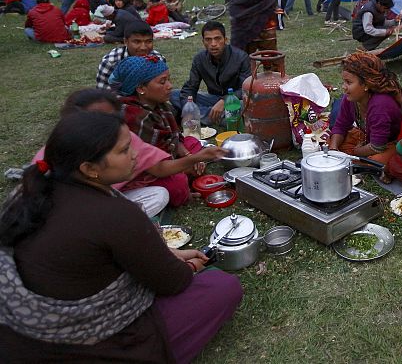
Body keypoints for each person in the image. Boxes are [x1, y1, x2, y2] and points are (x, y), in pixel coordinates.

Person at [0, 111, 242, 361]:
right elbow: (173, 282)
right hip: (85, 343)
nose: (135, 154)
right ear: (90, 168)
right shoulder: (116, 214)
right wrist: (190, 265)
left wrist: (167, 253)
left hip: (18, 333)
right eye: (124, 150)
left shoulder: (28, 192)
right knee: (222, 287)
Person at [33, 88, 226, 212]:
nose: (133, 154)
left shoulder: (122, 136)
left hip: (107, 198)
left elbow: (157, 168)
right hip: (82, 211)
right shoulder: (62, 156)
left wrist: (195, 157)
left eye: (113, 118)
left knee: (161, 193)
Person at [111, 55, 205, 171]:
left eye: (169, 80)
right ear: (141, 89)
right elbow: (153, 164)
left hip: (167, 154)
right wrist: (188, 164)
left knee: (192, 142)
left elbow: (174, 138)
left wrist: (188, 156)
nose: (170, 86)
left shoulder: (159, 104)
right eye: (162, 82)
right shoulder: (133, 116)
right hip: (148, 167)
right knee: (178, 182)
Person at [171, 21, 251, 126]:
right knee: (174, 95)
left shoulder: (241, 57)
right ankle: (215, 117)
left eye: (217, 39)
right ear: (203, 42)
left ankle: (205, 117)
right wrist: (189, 109)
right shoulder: (199, 59)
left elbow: (246, 89)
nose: (213, 44)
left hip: (235, 101)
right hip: (212, 99)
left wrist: (225, 101)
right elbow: (190, 88)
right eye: (208, 40)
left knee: (244, 105)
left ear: (225, 40)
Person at [329, 51, 402, 164]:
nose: (344, 87)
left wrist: (356, 152)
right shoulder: (350, 99)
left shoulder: (380, 105)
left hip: (390, 143)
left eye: (348, 82)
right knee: (333, 141)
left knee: (376, 161)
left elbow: (378, 146)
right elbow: (340, 126)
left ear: (367, 84)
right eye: (344, 82)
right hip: (367, 139)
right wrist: (333, 150)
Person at [97, 20, 165, 89]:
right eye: (137, 42)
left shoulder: (157, 59)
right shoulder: (111, 61)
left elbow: (162, 89)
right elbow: (103, 93)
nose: (143, 48)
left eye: (148, 41)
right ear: (126, 42)